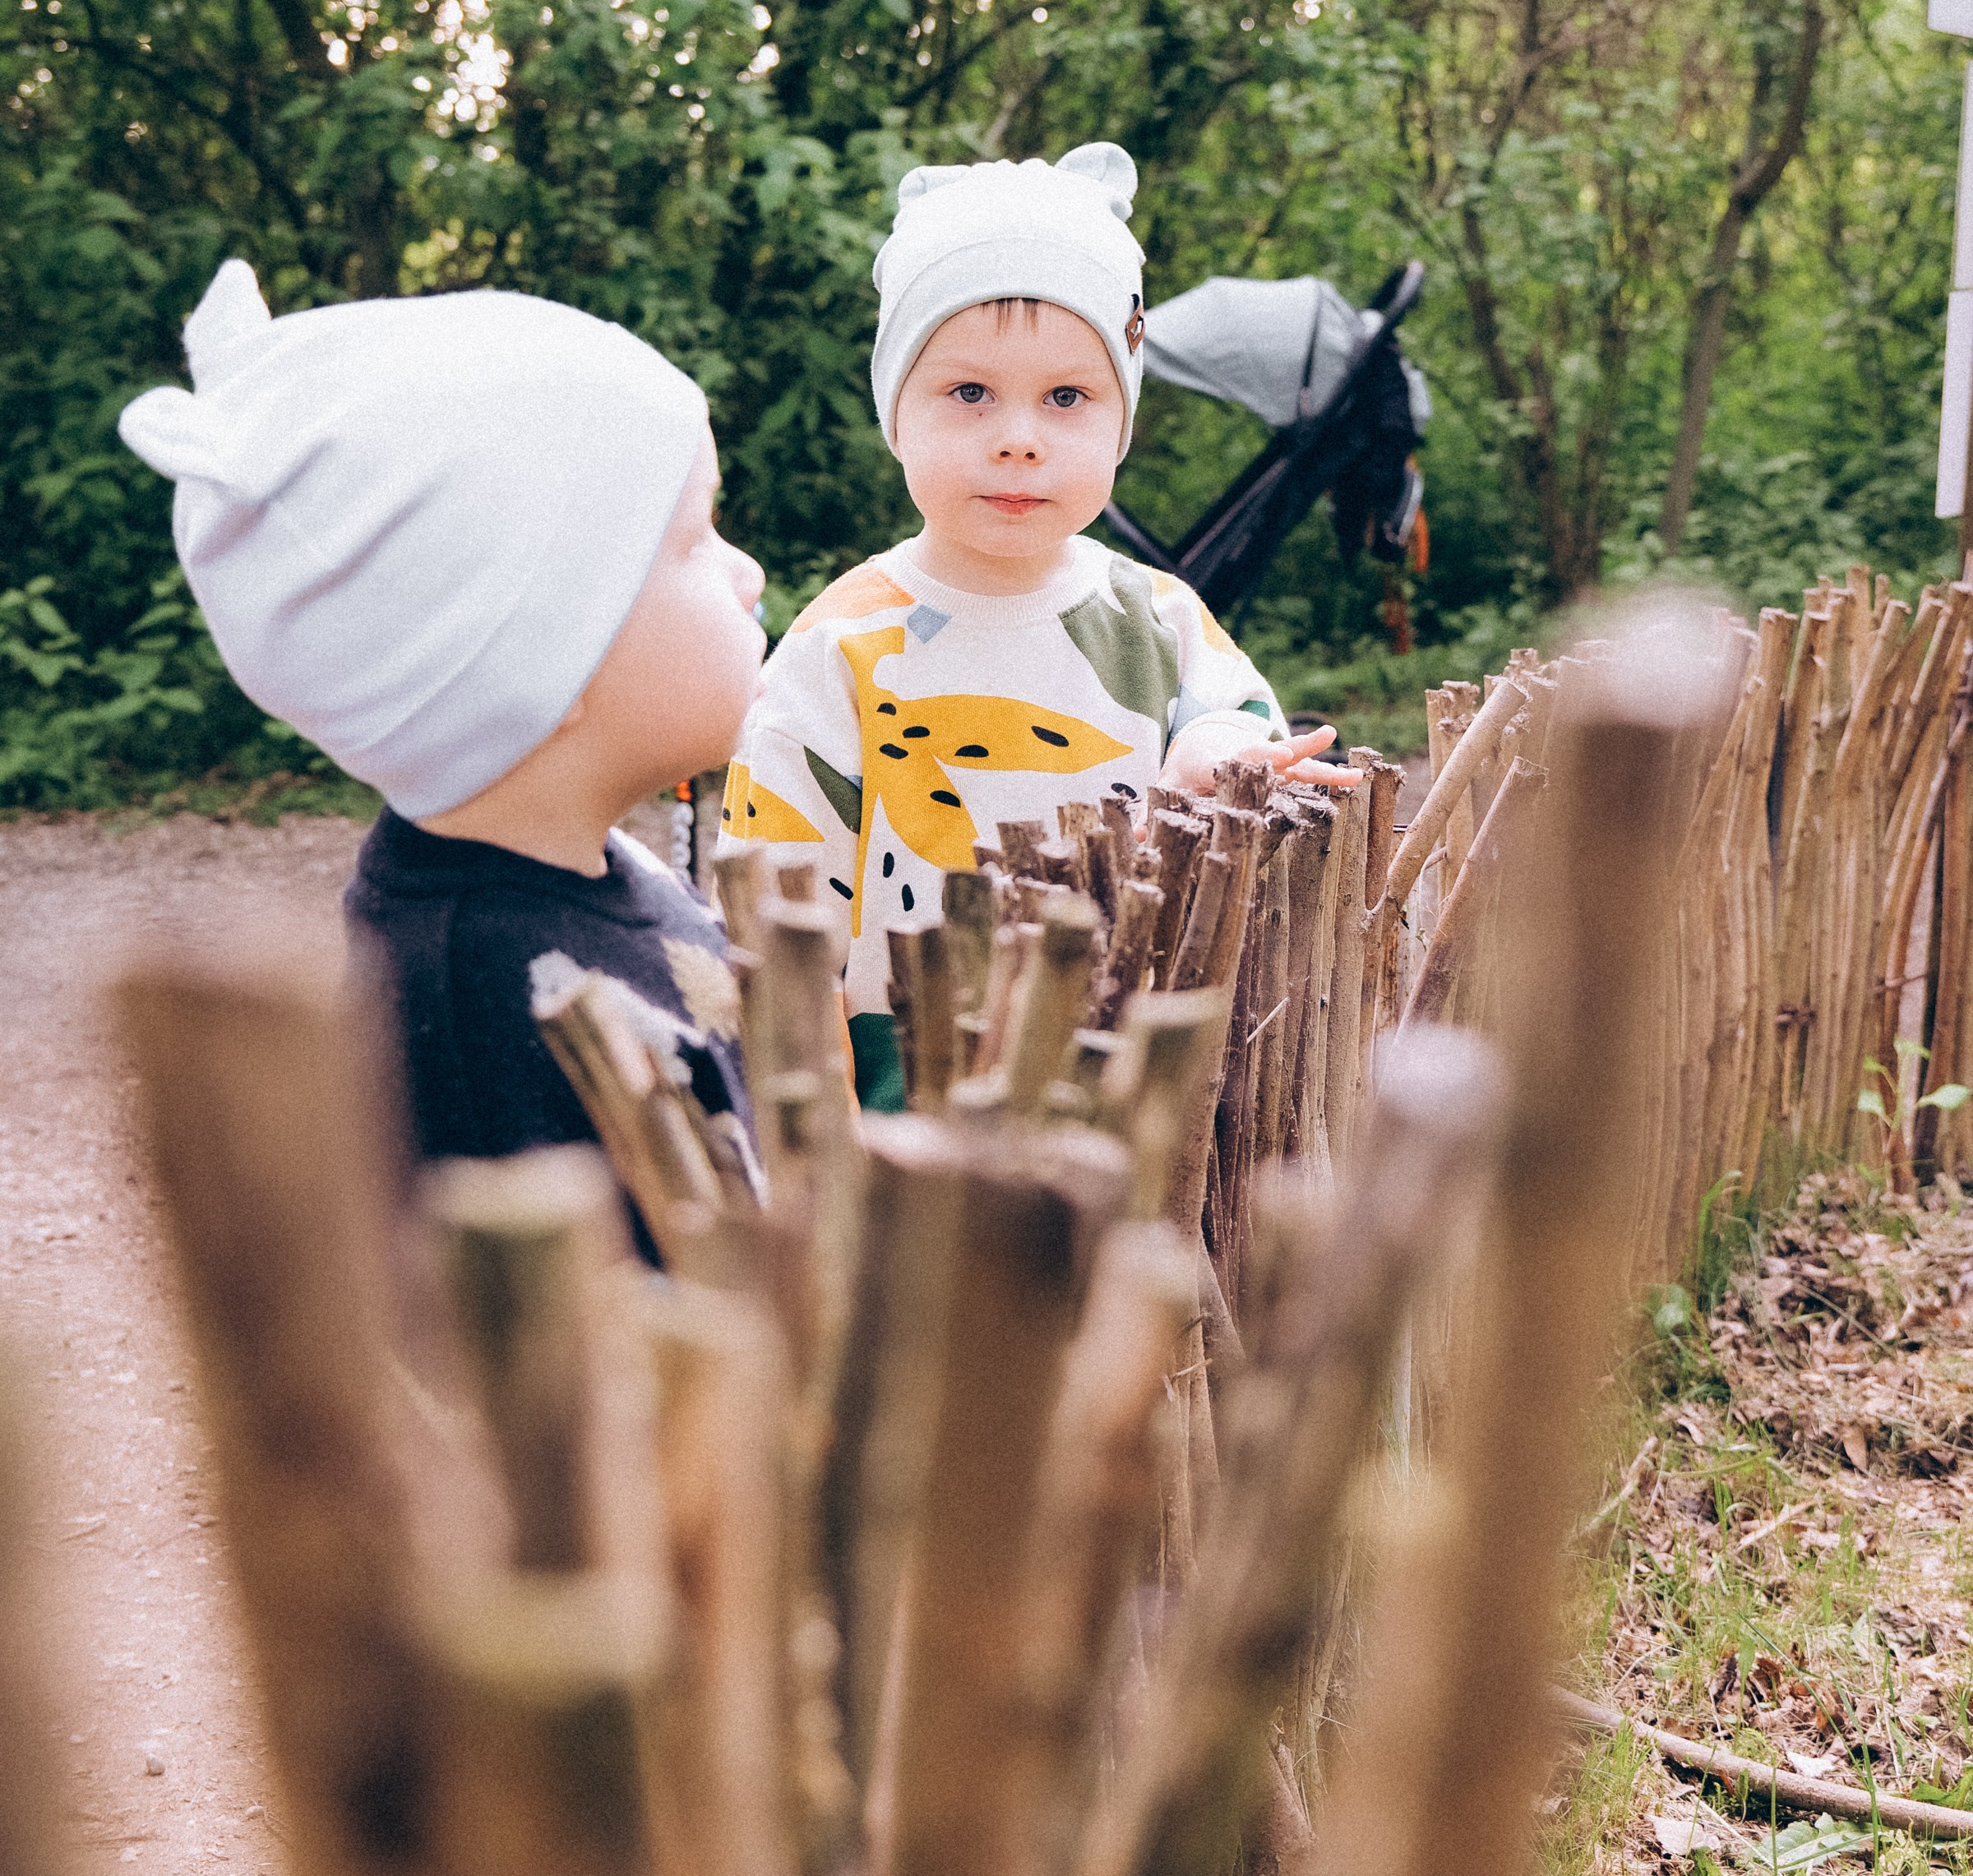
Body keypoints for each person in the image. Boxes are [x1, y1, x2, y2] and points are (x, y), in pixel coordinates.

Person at [119, 260, 765, 1230]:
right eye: (695, 540)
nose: (748, 574)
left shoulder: (590, 871)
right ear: (545, 662)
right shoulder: (487, 1028)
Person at [717, 144, 1354, 1108]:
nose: (1019, 436)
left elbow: (1241, 712)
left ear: (1119, 422)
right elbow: (774, 886)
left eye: (1067, 397)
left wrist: (1212, 752)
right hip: (901, 1079)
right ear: (899, 412)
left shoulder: (1157, 615)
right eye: (969, 392)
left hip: (1117, 1068)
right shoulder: (837, 645)